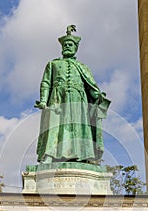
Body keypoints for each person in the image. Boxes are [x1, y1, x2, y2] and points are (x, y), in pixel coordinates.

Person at [35, 25, 110, 164]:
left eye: (70, 44)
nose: (68, 46)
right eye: (65, 44)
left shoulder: (82, 67)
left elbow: (91, 86)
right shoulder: (53, 64)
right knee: (54, 127)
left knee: (78, 127)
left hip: (78, 101)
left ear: (76, 48)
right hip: (57, 99)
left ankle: (81, 155)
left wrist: (98, 96)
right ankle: (49, 155)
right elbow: (46, 83)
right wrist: (43, 100)